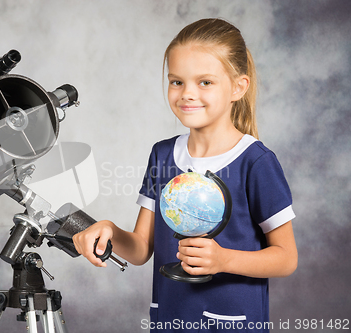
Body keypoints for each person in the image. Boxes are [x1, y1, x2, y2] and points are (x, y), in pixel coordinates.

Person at [73, 18, 297, 332]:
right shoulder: (162, 154)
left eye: (205, 82)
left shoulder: (256, 161)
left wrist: (224, 260)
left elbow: (286, 258)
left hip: (232, 323)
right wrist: (109, 229)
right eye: (177, 81)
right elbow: (141, 249)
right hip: (171, 318)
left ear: (237, 87)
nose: (187, 94)